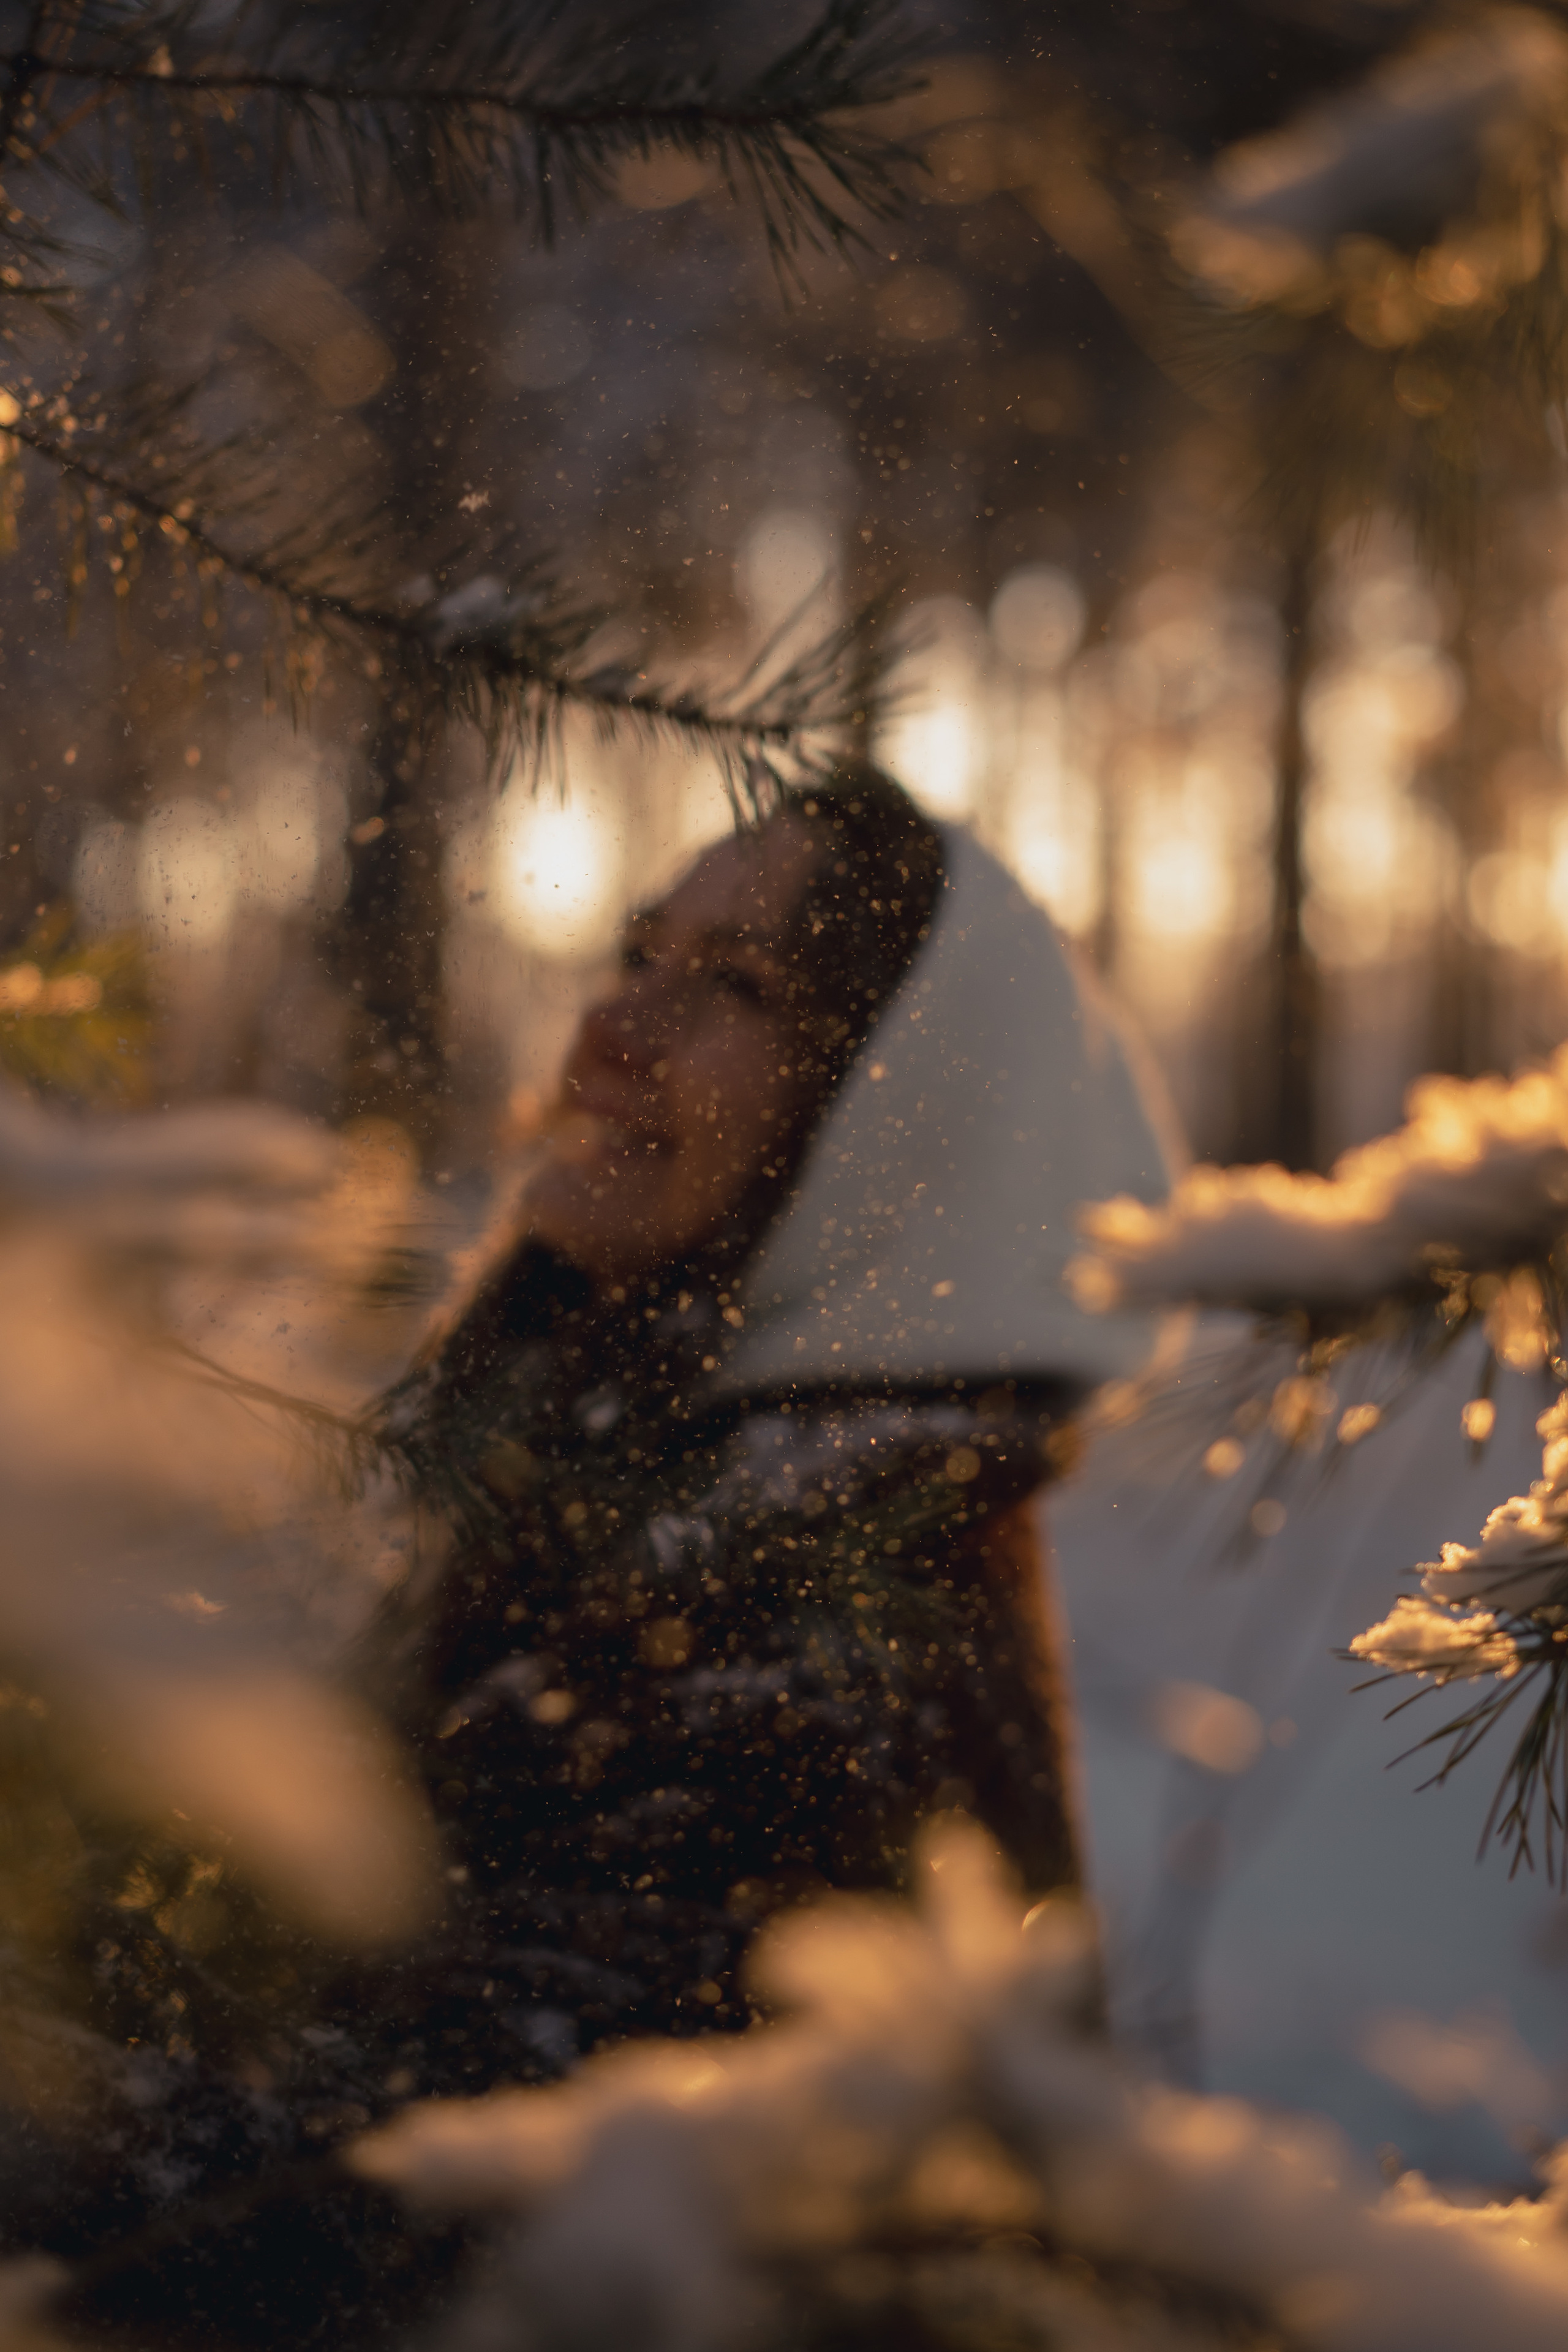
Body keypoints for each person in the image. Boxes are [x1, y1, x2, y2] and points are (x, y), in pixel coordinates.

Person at [25, 764, 1172, 2345]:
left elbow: (499, 2181)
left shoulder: (850, 1616)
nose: (606, 1034)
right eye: (640, 957)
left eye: (735, 988)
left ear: (901, 1117)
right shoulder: (604, 1479)